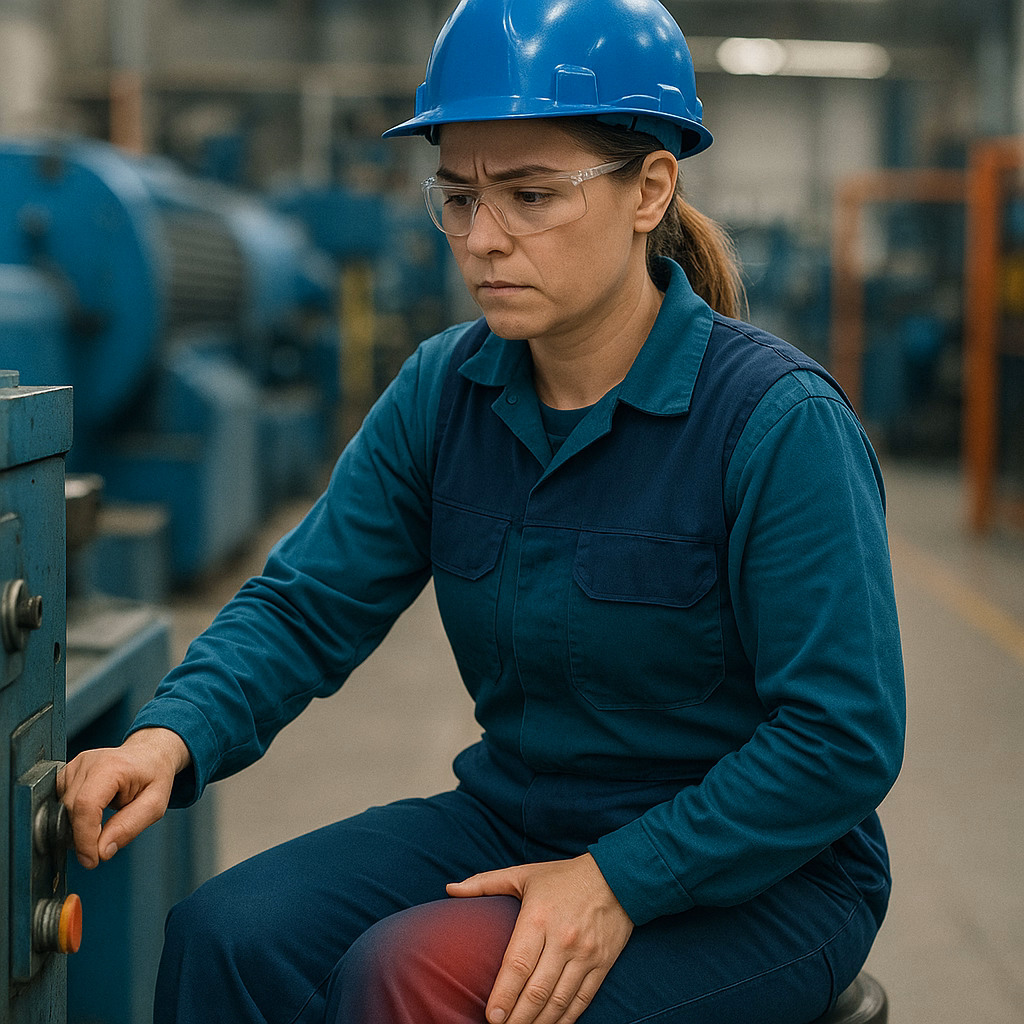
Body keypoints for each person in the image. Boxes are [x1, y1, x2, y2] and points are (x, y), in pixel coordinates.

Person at [58, 1, 906, 1022]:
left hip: (766, 874)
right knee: (226, 935)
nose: (482, 238)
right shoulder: (444, 391)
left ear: (650, 188)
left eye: (529, 195)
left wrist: (619, 879)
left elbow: (840, 737)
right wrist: (169, 736)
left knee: (412, 973)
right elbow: (307, 603)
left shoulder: (772, 422)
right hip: (520, 815)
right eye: (456, 197)